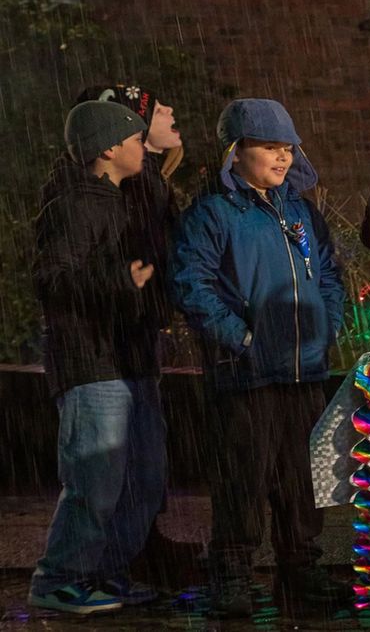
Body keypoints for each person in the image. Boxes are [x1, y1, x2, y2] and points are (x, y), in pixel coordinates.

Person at [171, 99, 349, 618]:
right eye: (269, 147)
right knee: (243, 479)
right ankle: (231, 573)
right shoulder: (213, 214)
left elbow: (329, 273)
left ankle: (300, 570)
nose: (283, 157)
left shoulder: (300, 211)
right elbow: (193, 285)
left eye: (288, 147)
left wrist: (325, 326)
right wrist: (243, 340)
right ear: (236, 152)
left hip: (303, 371)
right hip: (246, 376)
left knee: (300, 478)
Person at [28, 101, 167, 615]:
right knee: (95, 480)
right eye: (135, 140)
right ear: (108, 148)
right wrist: (118, 281)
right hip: (92, 364)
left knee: (144, 478)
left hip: (131, 362)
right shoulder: (74, 206)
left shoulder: (123, 201)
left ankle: (105, 573)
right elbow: (51, 280)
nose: (143, 149)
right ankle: (59, 579)